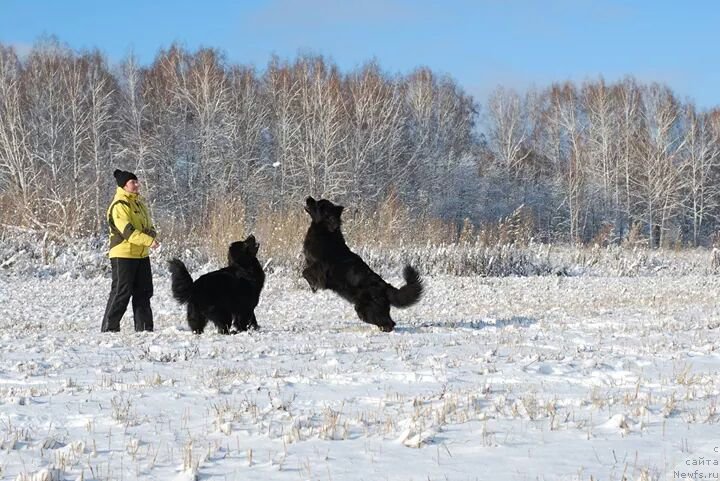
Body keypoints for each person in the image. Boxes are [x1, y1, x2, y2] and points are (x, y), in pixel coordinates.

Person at [101, 169, 160, 332]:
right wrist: (148, 240)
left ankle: (145, 329)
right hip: (123, 254)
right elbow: (128, 232)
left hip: (141, 254)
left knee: (144, 292)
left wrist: (151, 235)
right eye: (133, 182)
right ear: (124, 186)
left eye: (136, 181)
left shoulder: (140, 204)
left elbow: (150, 227)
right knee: (122, 292)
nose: (137, 184)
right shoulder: (119, 205)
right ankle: (109, 328)